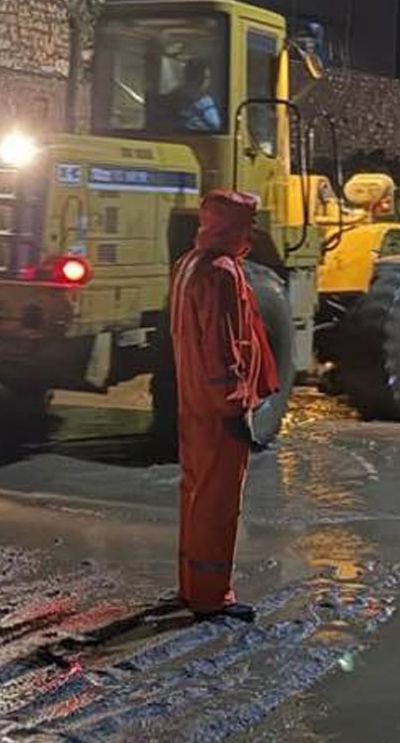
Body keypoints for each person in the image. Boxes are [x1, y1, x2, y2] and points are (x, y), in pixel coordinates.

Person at [169, 190, 278, 622]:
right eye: (247, 224)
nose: (251, 232)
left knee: (195, 494)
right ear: (233, 226)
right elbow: (224, 347)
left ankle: (191, 586)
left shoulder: (188, 265)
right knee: (217, 505)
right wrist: (236, 408)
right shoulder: (222, 274)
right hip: (217, 409)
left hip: (193, 402)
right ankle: (212, 597)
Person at [164, 60, 222, 133]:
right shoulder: (204, 101)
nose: (208, 81)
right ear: (201, 78)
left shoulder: (172, 96)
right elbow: (215, 124)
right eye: (207, 77)